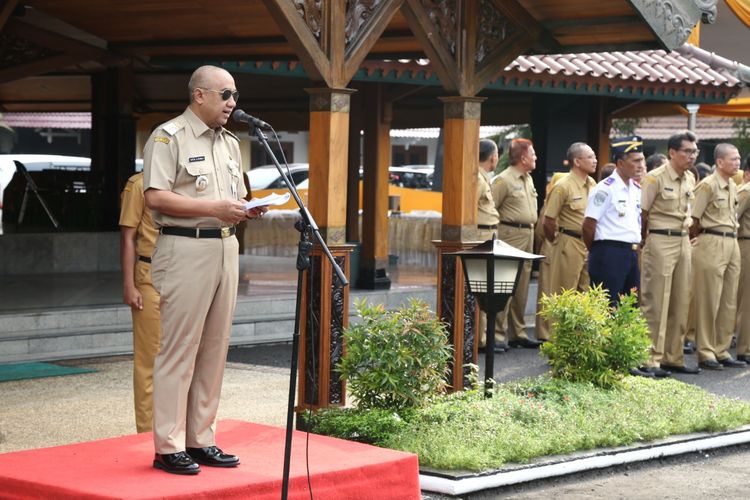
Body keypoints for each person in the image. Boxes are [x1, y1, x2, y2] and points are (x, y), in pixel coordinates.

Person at [144, 65, 266, 475]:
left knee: (215, 348)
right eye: (225, 94)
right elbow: (156, 198)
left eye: (234, 95)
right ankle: (168, 445)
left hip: (226, 247)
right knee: (179, 350)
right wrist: (214, 208)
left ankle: (201, 439)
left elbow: (230, 196)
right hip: (185, 248)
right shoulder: (168, 136)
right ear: (200, 95)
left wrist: (246, 208)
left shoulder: (230, 142)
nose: (233, 103)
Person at [582, 136, 650, 378]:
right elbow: (589, 225)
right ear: (620, 162)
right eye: (635, 160)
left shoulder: (636, 189)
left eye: (642, 160)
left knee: (627, 308)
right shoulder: (605, 188)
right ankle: (602, 359)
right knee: (607, 306)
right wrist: (597, 252)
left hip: (630, 253)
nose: (641, 165)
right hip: (608, 251)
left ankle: (622, 360)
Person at [640, 131, 699, 376]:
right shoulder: (654, 178)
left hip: (683, 239)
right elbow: (642, 214)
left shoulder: (689, 179)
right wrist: (647, 242)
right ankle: (650, 358)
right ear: (672, 152)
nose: (692, 156)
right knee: (656, 301)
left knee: (681, 299)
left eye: (694, 151)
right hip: (660, 238)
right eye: (687, 151)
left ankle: (672, 356)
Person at [688, 143, 744, 370]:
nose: (738, 163)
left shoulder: (732, 185)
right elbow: (694, 219)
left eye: (739, 159)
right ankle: (706, 351)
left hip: (732, 241)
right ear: (719, 162)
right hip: (711, 240)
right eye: (734, 159)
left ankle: (721, 349)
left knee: (729, 299)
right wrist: (703, 239)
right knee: (709, 299)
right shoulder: (708, 185)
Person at [536, 143, 597, 341]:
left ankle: (578, 340)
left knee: (585, 291)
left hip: (587, 243)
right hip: (568, 241)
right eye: (590, 157)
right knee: (563, 292)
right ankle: (557, 341)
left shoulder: (593, 184)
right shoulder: (563, 186)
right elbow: (548, 220)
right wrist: (557, 241)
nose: (594, 160)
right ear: (577, 161)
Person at [120, 172, 161, 433]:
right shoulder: (138, 184)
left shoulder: (183, 180)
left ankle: (177, 432)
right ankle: (146, 432)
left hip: (184, 275)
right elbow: (127, 237)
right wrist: (129, 285)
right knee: (149, 360)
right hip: (149, 276)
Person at [490, 138, 541, 348]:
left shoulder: (527, 179)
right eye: (533, 153)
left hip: (527, 235)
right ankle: (498, 335)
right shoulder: (504, 180)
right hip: (510, 234)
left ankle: (517, 332)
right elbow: (491, 208)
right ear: (522, 157)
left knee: (521, 287)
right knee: (505, 284)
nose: (536, 157)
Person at [476, 139, 502, 352]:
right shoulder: (477, 178)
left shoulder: (483, 177)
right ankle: (480, 339)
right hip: (481, 234)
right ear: (493, 157)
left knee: (487, 287)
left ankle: (483, 337)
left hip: (489, 233)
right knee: (481, 288)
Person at [736, 155, 750, 363]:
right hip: (746, 243)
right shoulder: (746, 191)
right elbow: (731, 218)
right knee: (746, 299)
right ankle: (744, 348)